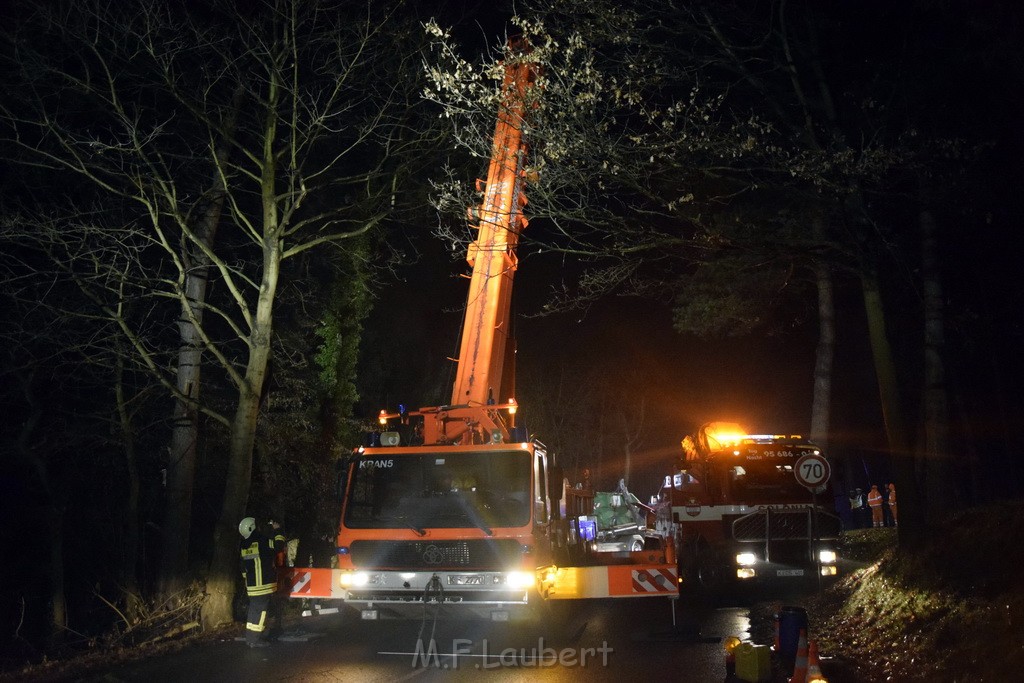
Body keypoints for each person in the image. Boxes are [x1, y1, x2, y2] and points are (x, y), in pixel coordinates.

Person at [239, 517, 286, 648]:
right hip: (263, 585)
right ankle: (255, 640)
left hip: (252, 586)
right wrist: (278, 530)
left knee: (253, 611)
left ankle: (251, 637)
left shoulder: (244, 546)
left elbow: (243, 567)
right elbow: (278, 546)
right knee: (260, 612)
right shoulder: (261, 541)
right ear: (252, 528)